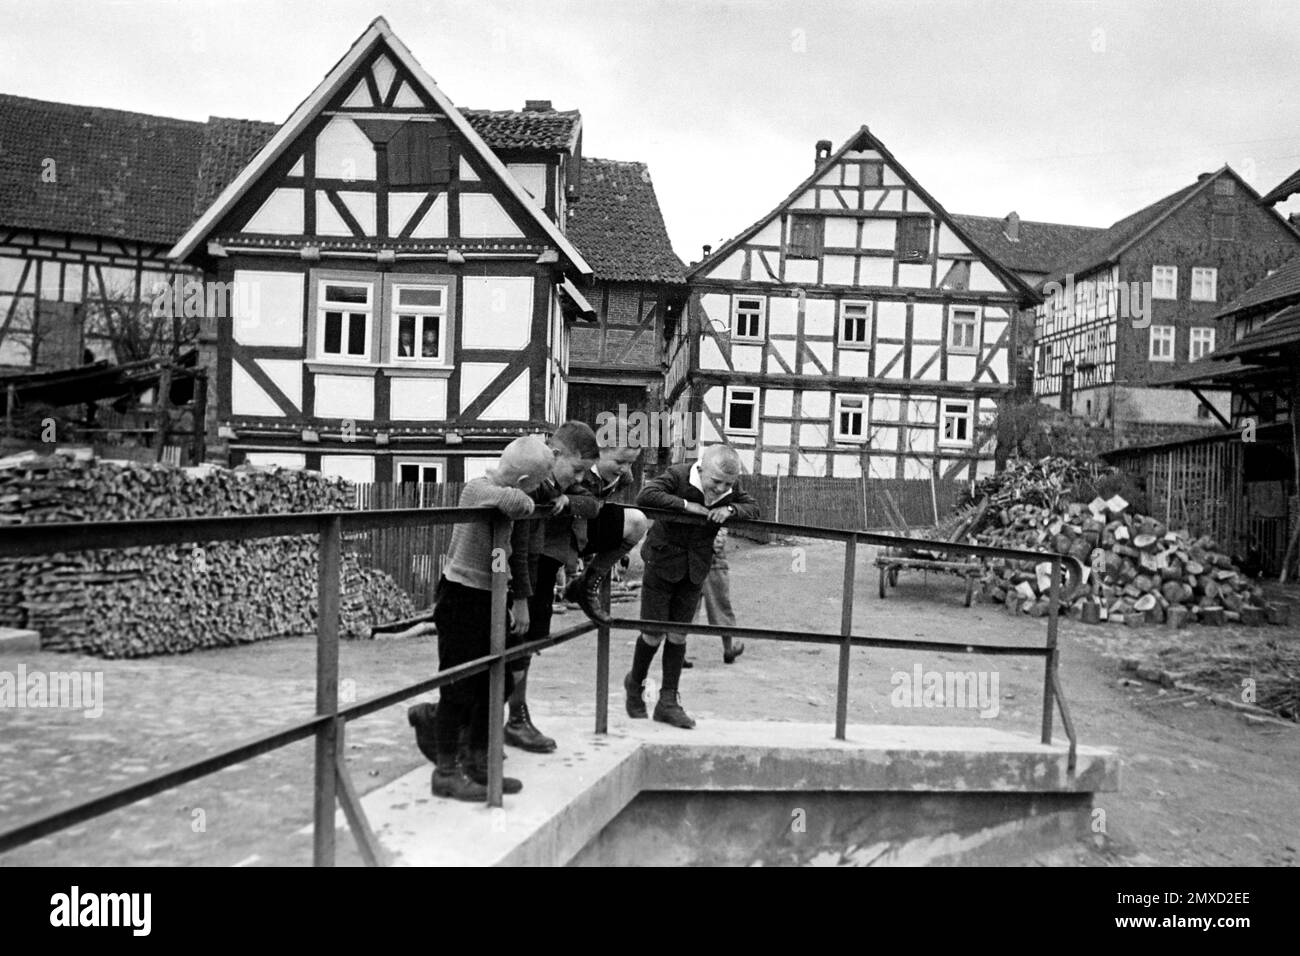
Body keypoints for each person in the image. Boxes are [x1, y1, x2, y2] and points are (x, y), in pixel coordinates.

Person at [413, 435, 553, 802]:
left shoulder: (502, 492)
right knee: (458, 687)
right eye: (535, 484)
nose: (537, 492)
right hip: (461, 597)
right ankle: (445, 772)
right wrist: (532, 497)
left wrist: (507, 594)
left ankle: (477, 761)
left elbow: (508, 542)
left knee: (499, 680)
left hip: (490, 594)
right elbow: (520, 503)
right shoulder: (479, 489)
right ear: (523, 481)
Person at [623, 445, 759, 729]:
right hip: (662, 563)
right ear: (700, 469)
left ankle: (668, 702)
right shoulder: (678, 475)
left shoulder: (729, 492)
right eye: (715, 482)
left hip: (695, 568)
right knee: (652, 633)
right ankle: (635, 684)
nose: (719, 488)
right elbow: (645, 495)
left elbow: (754, 508)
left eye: (727, 484)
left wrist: (730, 508)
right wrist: (686, 506)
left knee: (679, 635)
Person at [503, 422, 602, 752]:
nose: (577, 479)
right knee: (509, 646)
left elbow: (593, 504)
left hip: (541, 570)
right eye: (575, 471)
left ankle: (516, 717)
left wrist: (567, 499)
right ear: (556, 453)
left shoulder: (562, 486)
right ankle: (505, 720)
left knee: (526, 646)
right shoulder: (529, 475)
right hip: (515, 572)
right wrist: (519, 595)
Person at [701, 528, 745, 664]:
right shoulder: (719, 507)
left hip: (695, 556)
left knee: (686, 608)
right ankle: (728, 649)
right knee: (721, 605)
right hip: (712, 559)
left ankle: (679, 653)